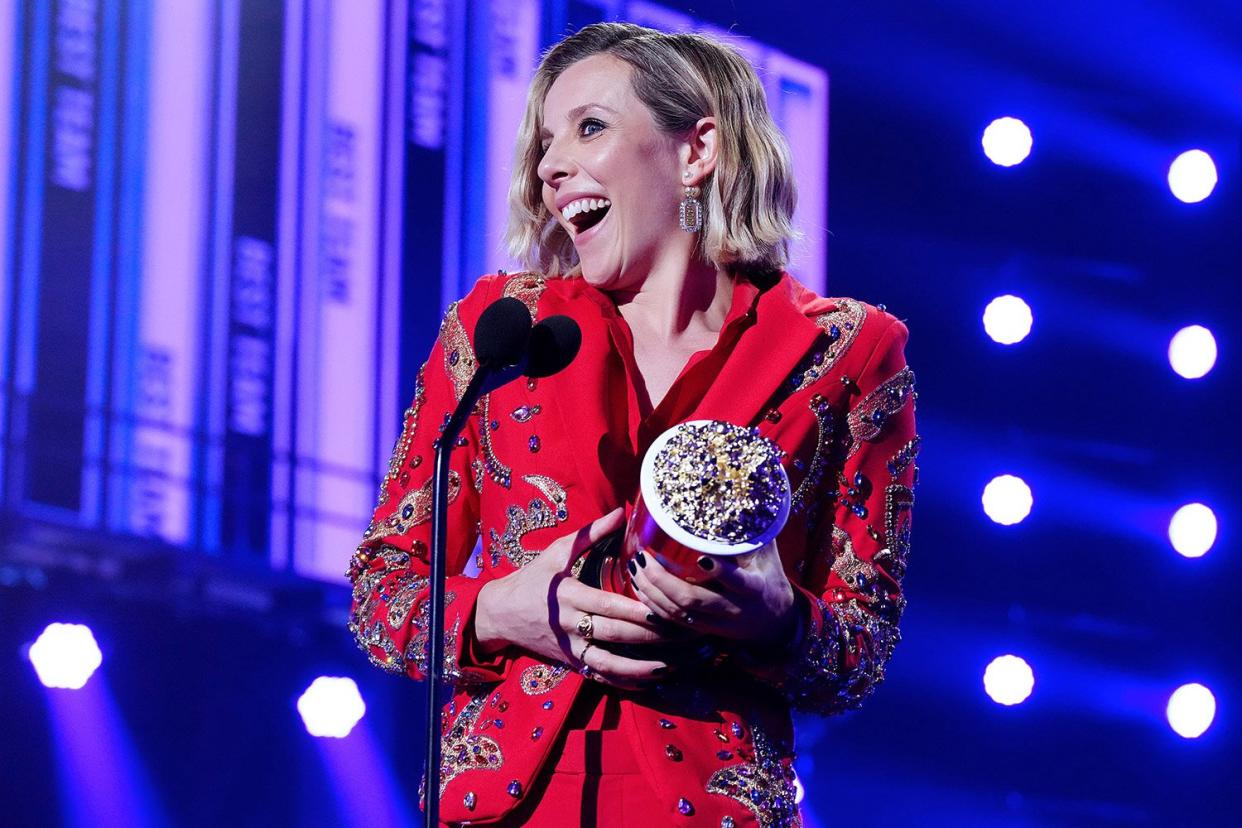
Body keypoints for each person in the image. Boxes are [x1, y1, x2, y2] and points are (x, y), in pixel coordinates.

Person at [347, 21, 918, 827]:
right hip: (505, 807)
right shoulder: (499, 328)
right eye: (545, 144)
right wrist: (500, 608)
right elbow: (381, 594)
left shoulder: (848, 354)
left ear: (696, 151)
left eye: (590, 127)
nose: (549, 168)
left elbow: (858, 657)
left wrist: (776, 621)